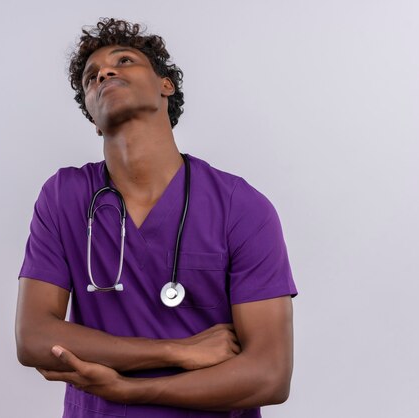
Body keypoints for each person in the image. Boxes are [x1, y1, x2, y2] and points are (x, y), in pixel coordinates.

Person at [15, 18, 298, 418]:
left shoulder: (241, 207)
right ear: (93, 119)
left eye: (124, 61)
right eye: (90, 77)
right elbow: (34, 337)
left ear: (166, 85)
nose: (104, 73)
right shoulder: (65, 197)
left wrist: (129, 390)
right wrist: (175, 350)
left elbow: (269, 375)